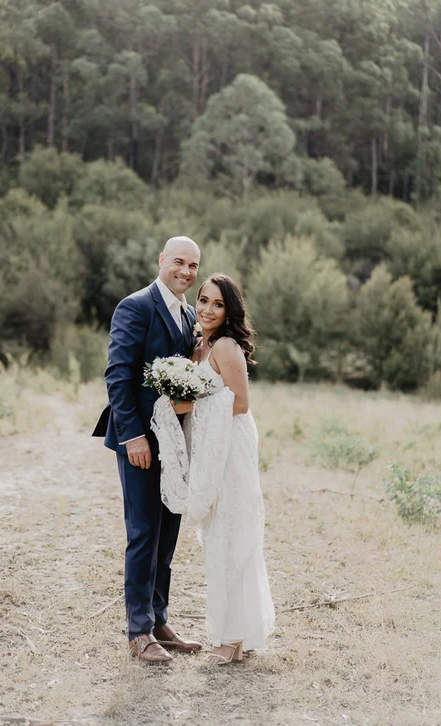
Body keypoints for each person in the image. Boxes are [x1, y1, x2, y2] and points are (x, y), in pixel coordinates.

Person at [92, 237, 202, 665]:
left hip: (175, 442)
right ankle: (138, 631)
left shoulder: (190, 315)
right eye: (179, 262)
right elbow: (118, 375)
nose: (186, 272)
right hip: (139, 440)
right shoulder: (135, 306)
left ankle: (159, 620)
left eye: (193, 266)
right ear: (161, 260)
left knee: (168, 532)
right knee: (143, 534)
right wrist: (132, 436)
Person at [154, 273, 275, 664]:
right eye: (203, 300)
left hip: (230, 450)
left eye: (218, 304)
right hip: (208, 450)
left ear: (229, 311)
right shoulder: (197, 347)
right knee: (218, 540)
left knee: (232, 536)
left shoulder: (225, 346)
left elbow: (239, 403)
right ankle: (234, 637)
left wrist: (189, 405)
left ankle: (231, 637)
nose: (207, 309)